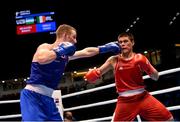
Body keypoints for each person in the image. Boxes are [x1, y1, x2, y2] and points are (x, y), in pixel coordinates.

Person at [20, 24, 121, 121]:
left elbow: (86, 52)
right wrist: (60, 51)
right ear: (65, 35)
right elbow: (42, 58)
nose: (75, 41)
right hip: (32, 96)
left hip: (48, 98)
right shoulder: (46, 47)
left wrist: (105, 48)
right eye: (74, 37)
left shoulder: (66, 56)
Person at [84, 32, 174, 121]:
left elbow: (156, 77)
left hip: (143, 97)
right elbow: (97, 74)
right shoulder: (113, 60)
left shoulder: (140, 58)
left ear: (132, 42)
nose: (123, 44)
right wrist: (91, 75)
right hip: (125, 101)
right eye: (120, 42)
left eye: (126, 41)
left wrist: (148, 67)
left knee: (168, 119)